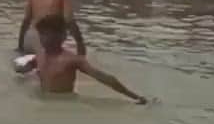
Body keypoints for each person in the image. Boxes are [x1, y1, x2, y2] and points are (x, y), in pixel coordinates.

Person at [16, 15, 147, 104]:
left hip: (64, 105)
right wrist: (21, 70)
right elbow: (25, 69)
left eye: (48, 34)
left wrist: (134, 97)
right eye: (42, 34)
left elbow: (105, 78)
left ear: (62, 36)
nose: (44, 39)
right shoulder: (39, 55)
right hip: (42, 102)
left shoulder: (72, 60)